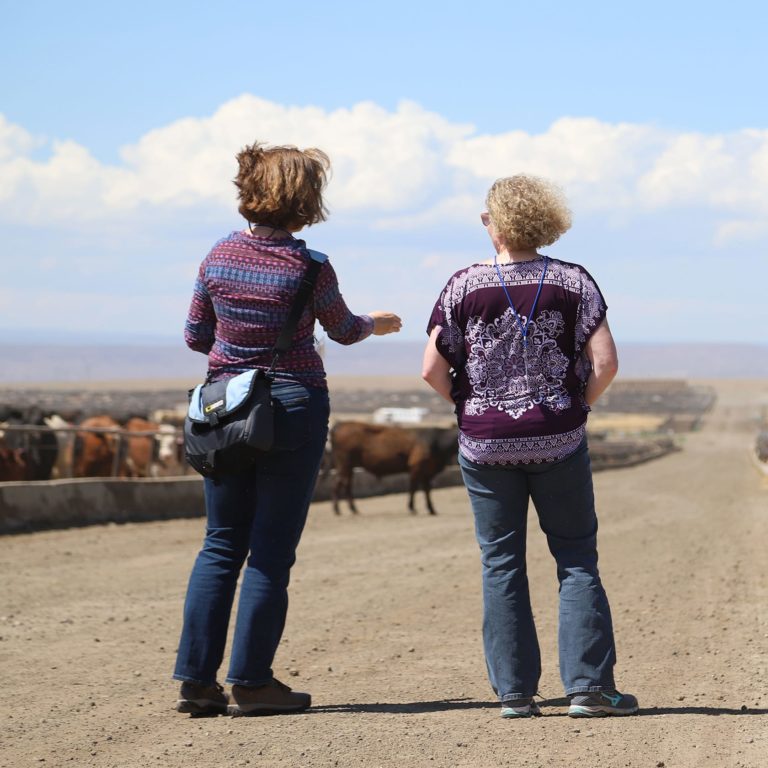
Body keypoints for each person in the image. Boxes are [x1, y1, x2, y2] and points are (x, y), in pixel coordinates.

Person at [173, 141, 401, 716]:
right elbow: (344, 330)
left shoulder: (217, 257)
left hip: (225, 410)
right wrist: (374, 323)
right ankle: (252, 684)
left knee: (221, 543)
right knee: (270, 552)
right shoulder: (311, 266)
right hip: (294, 406)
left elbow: (197, 338)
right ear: (306, 201)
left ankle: (197, 683)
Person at [422, 174, 637, 719]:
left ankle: (515, 695)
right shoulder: (575, 281)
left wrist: (472, 412)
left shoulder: (463, 285)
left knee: (501, 564)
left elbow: (430, 368)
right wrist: (576, 408)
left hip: (485, 447)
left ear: (495, 222)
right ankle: (589, 689)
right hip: (558, 439)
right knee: (575, 559)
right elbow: (607, 363)